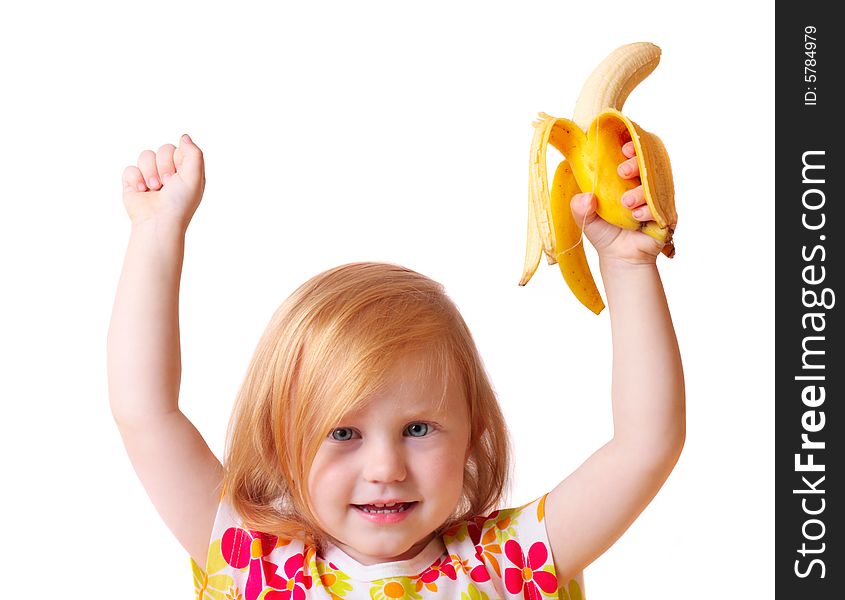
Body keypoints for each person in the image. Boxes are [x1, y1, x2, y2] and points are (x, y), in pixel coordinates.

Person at [108, 133, 685, 599]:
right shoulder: (255, 564)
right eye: (342, 433)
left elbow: (646, 443)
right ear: (280, 442)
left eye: (417, 429)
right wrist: (156, 233)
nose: (385, 467)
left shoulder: (510, 562)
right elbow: (146, 414)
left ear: (474, 431)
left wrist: (628, 267)